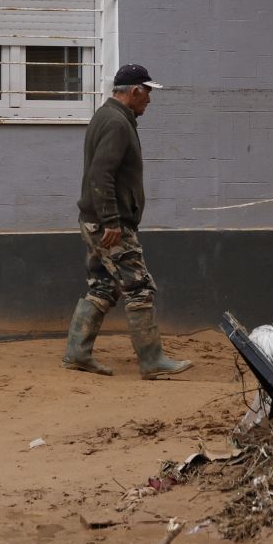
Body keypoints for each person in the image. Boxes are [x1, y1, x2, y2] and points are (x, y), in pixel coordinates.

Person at [63, 63, 191, 379]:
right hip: (108, 225)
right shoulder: (118, 123)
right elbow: (101, 174)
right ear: (134, 91)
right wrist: (111, 221)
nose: (149, 100)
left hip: (95, 220)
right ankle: (152, 361)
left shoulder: (108, 116)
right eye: (147, 93)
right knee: (139, 286)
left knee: (104, 285)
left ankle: (77, 353)